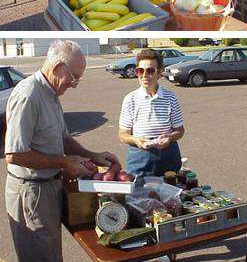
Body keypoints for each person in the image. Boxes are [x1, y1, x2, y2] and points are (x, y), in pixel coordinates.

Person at [4, 40, 120, 262]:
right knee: (40, 256)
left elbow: (63, 138)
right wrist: (64, 163)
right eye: (74, 77)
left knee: (50, 251)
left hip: (49, 186)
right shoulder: (29, 95)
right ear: (57, 68)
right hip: (31, 192)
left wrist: (92, 155)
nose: (75, 84)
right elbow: (14, 154)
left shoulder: (51, 93)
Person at [118, 49, 185, 178]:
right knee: (138, 196)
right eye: (140, 71)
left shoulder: (170, 98)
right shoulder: (130, 99)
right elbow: (122, 134)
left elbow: (180, 130)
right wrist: (135, 140)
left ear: (159, 73)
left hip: (168, 157)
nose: (144, 75)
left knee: (170, 194)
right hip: (139, 159)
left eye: (150, 71)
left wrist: (170, 138)